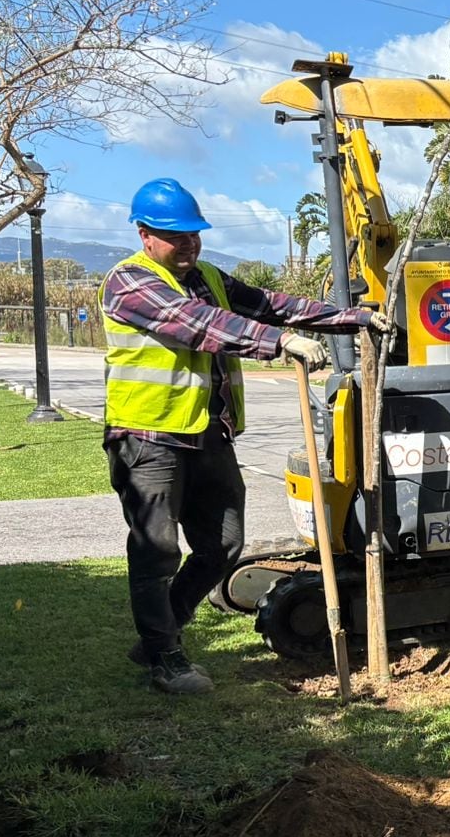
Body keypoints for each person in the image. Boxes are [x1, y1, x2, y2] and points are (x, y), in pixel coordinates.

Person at [100, 178, 385, 696]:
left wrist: (354, 319)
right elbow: (198, 325)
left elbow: (273, 305)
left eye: (194, 234)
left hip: (209, 435)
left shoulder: (208, 276)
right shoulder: (131, 283)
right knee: (156, 550)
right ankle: (165, 656)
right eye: (175, 236)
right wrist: (282, 344)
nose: (188, 244)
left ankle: (159, 633)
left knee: (224, 544)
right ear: (145, 234)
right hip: (148, 438)